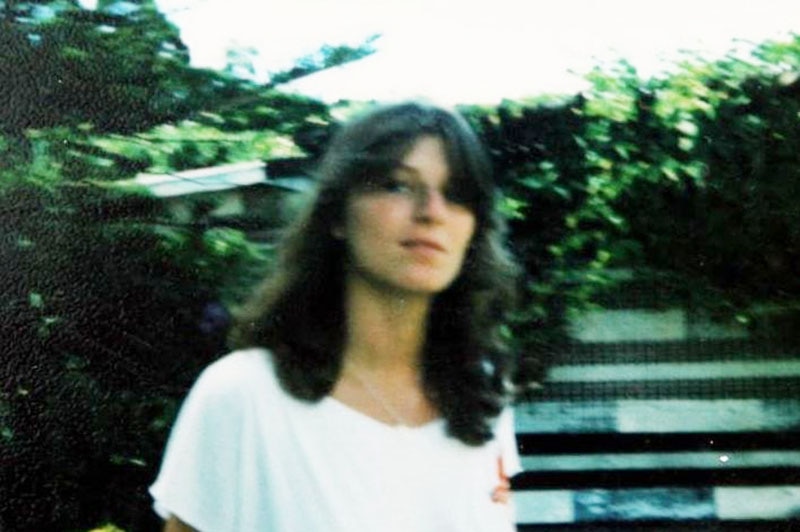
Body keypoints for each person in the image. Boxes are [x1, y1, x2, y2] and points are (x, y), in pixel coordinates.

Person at [149, 101, 523, 531]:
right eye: (397, 185)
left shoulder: (481, 397)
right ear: (337, 216)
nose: (432, 212)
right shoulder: (242, 395)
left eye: (456, 194)